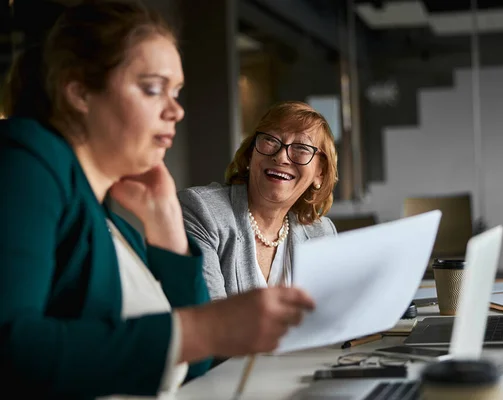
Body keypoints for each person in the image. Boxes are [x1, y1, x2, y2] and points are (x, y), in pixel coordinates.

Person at [0, 2, 314, 399]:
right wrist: (206, 328)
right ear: (79, 90)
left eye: (177, 92)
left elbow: (194, 362)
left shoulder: (104, 213)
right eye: (152, 89)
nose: (176, 111)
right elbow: (11, 349)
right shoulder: (26, 160)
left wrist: (168, 234)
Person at [178, 101, 339, 300]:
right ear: (251, 152)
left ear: (320, 172)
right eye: (271, 140)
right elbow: (211, 318)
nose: (281, 157)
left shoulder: (321, 233)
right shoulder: (202, 210)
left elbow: (330, 318)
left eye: (301, 148)